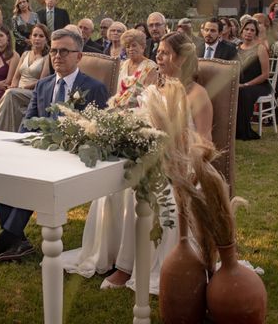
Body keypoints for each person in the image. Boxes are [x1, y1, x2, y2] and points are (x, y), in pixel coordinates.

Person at [65, 31, 212, 293]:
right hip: (148, 156)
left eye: (165, 52)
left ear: (182, 58)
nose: (158, 56)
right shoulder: (155, 89)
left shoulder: (197, 94)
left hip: (183, 163)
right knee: (112, 188)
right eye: (159, 51)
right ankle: (111, 257)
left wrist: (186, 171)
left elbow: (205, 142)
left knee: (142, 194)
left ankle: (127, 267)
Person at [0, 29, 108, 263]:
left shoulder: (94, 88)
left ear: (79, 56)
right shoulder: (43, 86)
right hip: (39, 152)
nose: (57, 56)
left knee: (35, 175)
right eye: (53, 50)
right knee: (3, 168)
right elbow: (28, 124)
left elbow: (99, 132)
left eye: (64, 51)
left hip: (72, 157)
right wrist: (20, 149)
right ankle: (17, 239)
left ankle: (7, 239)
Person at [0, 24, 51, 132]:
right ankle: (5, 130)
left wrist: (23, 88)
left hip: (33, 92)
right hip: (18, 90)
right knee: (10, 92)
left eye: (41, 36)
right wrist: (13, 85)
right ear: (30, 37)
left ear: (46, 39)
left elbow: (42, 82)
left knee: (10, 93)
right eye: (35, 35)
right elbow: (16, 77)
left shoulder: (47, 57)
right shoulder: (25, 54)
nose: (37, 38)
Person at [235, 19, 271, 140]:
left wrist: (246, 84)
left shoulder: (260, 48)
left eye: (252, 30)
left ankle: (243, 130)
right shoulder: (236, 48)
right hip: (240, 84)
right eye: (246, 29)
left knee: (243, 92)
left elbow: (265, 75)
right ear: (242, 31)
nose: (249, 32)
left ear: (256, 33)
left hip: (260, 85)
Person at [109, 29, 158, 108]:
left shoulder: (150, 67)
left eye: (134, 45)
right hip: (116, 108)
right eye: (128, 46)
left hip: (138, 111)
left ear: (142, 47)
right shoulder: (122, 64)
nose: (131, 49)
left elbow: (148, 97)